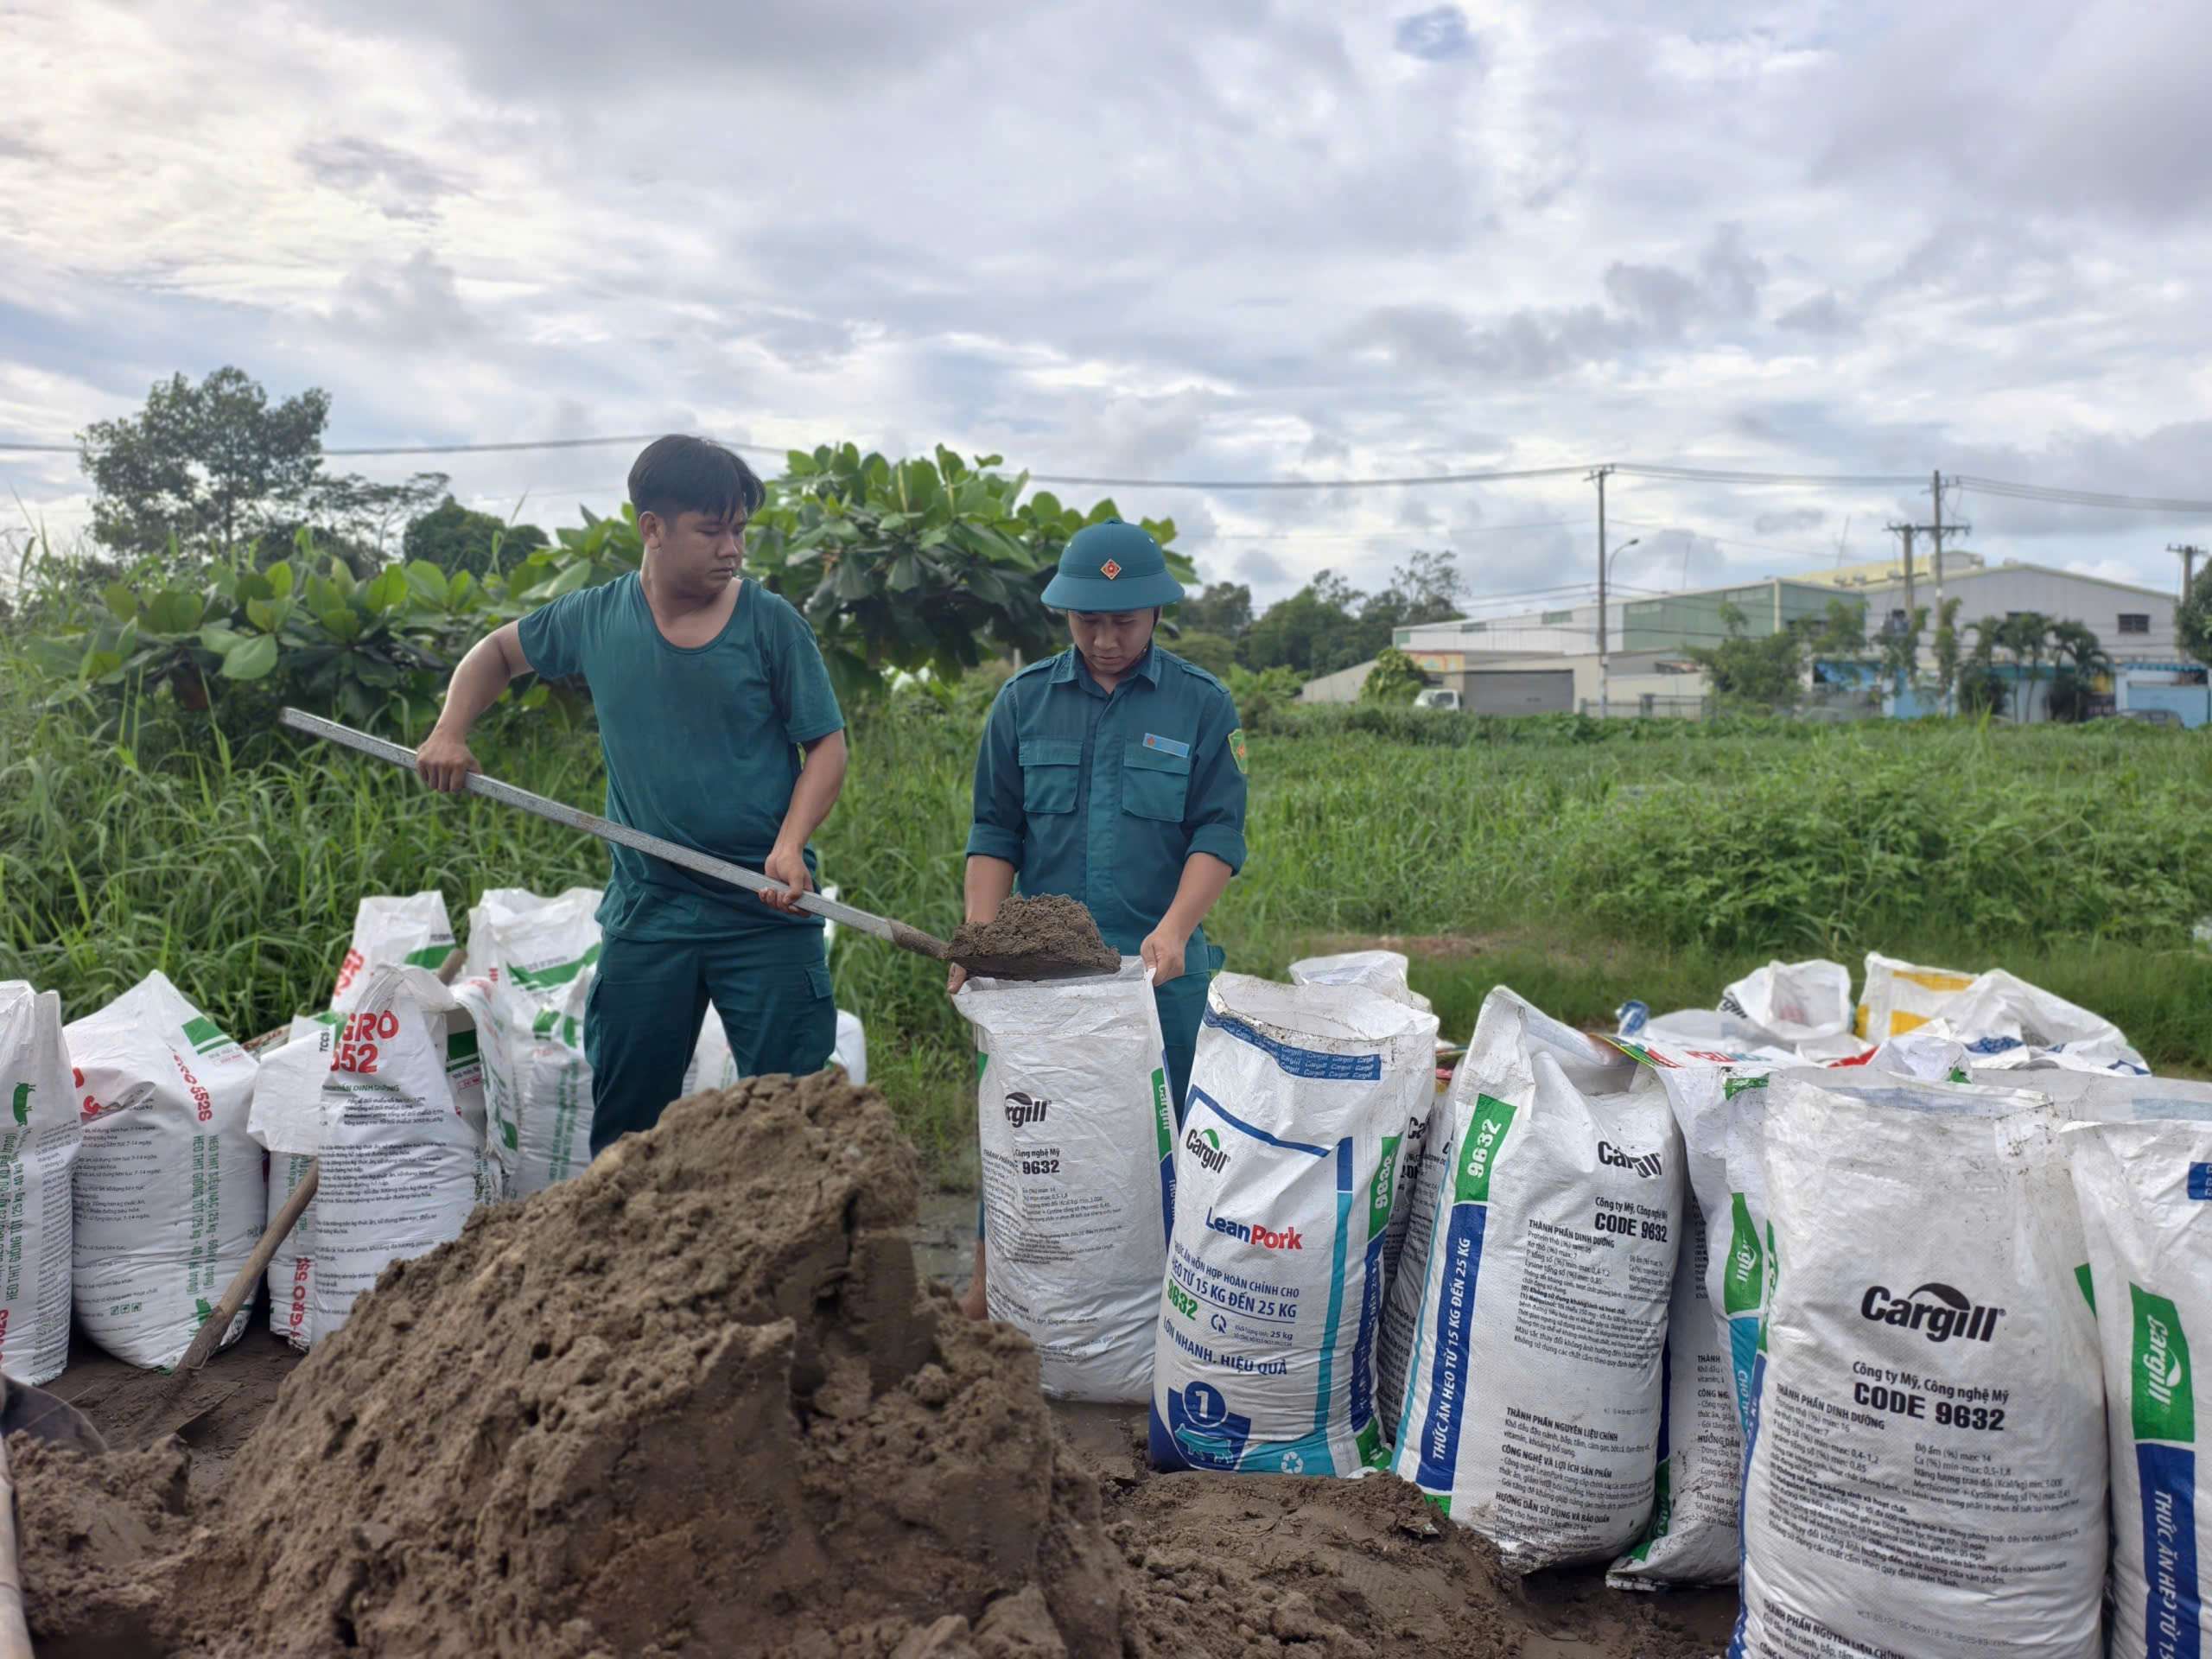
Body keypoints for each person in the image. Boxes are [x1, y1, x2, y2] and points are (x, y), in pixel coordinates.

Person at [415, 435, 849, 1154]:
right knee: (627, 1129)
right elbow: (497, 652)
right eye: (712, 531)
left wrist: (789, 845)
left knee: (795, 1118)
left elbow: (826, 744)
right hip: (650, 913)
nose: (732, 549)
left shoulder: (769, 623)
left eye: (739, 530)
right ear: (653, 528)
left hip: (765, 907)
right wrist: (450, 729)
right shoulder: (596, 618)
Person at [951, 518, 1248, 1319]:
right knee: (1024, 1139)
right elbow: (995, 832)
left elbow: (1219, 832)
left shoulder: (1201, 706)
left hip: (1162, 975)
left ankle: (1167, 1315)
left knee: (1169, 1147)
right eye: (1089, 621)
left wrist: (1177, 928)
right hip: (1046, 978)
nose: (1106, 638)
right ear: (1065, 616)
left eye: (1123, 621)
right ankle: (987, 1294)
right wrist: (982, 942)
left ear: (1156, 614)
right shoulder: (1022, 704)